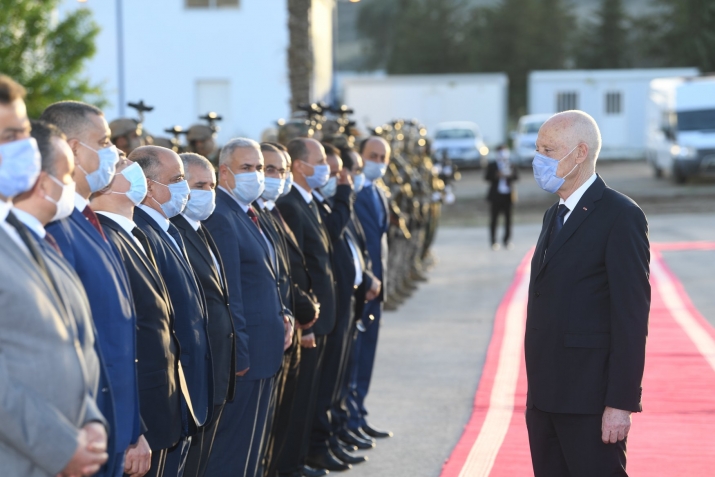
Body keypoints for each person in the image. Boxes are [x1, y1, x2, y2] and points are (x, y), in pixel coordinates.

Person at [525, 110, 650, 477]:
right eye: (537, 149)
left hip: (589, 402)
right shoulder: (554, 215)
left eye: (548, 150)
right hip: (544, 398)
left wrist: (620, 403)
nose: (538, 159)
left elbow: (630, 317)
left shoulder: (620, 215)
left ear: (579, 153)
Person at [0, 75, 109, 477]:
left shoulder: (20, 232)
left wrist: (91, 420)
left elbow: (70, 343)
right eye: (9, 136)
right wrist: (61, 446)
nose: (26, 147)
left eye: (23, 133)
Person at [41, 100, 144, 477]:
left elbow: (119, 332)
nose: (114, 152)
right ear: (73, 149)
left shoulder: (87, 220)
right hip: (84, 430)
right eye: (103, 142)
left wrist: (133, 428)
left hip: (113, 424)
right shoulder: (58, 226)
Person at [92, 157, 184, 477]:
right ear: (103, 181)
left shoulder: (132, 234)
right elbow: (114, 340)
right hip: (139, 415)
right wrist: (135, 429)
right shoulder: (106, 238)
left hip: (161, 405)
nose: (132, 165)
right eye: (121, 163)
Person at [203, 138, 288, 477]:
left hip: (266, 347)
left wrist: (284, 315)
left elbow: (269, 277)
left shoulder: (249, 212)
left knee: (251, 448)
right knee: (233, 452)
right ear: (224, 173)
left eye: (259, 167)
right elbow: (231, 293)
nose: (256, 174)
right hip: (247, 356)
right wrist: (239, 354)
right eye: (247, 168)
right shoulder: (222, 216)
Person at [130, 145, 213, 476]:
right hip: (164, 390)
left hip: (186, 384)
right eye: (178, 179)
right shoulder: (142, 232)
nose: (185, 187)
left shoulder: (167, 228)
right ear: (150, 187)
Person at [275, 138, 338, 477]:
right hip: (306, 319)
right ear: (301, 165)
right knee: (299, 403)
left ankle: (300, 461)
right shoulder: (289, 204)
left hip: (318, 314)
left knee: (311, 396)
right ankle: (291, 465)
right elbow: (297, 270)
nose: (327, 168)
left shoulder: (308, 201)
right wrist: (307, 321)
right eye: (321, 160)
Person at [259, 143, 323, 477]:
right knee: (269, 424)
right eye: (268, 169)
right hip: (277, 329)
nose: (277, 176)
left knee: (286, 414)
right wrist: (303, 309)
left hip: (291, 324)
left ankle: (286, 467)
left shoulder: (272, 211)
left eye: (281, 170)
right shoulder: (261, 213)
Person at [172, 153, 237, 477]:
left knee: (204, 458)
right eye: (199, 186)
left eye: (211, 186)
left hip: (217, 360)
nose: (208, 193)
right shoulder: (176, 232)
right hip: (195, 365)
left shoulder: (200, 228)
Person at [307, 143, 370, 471]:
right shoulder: (322, 204)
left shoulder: (330, 202)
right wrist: (344, 195)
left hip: (346, 301)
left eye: (337, 172)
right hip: (326, 309)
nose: (337, 178)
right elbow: (330, 239)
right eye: (331, 172)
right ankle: (320, 446)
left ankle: (333, 437)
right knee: (324, 385)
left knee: (338, 380)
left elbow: (354, 246)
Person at [331, 146, 380, 451]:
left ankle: (354, 417)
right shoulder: (339, 203)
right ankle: (344, 424)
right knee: (341, 372)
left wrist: (370, 275)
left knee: (358, 362)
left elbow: (361, 248)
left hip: (362, 293)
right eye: (355, 170)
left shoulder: (357, 197)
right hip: (339, 301)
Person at [348, 136, 393, 441]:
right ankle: (349, 419)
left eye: (382, 158)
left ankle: (359, 414)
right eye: (372, 156)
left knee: (366, 358)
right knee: (353, 358)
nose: (377, 162)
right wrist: (366, 279)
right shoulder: (354, 192)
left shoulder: (378, 192)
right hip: (361, 287)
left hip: (377, 289)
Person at [485, 144, 518, 250]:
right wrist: (497, 175)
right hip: (496, 196)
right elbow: (487, 177)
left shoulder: (511, 164)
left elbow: (516, 177)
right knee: (494, 219)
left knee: (508, 219)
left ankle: (507, 240)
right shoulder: (493, 165)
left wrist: (510, 175)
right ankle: (493, 241)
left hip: (508, 195)